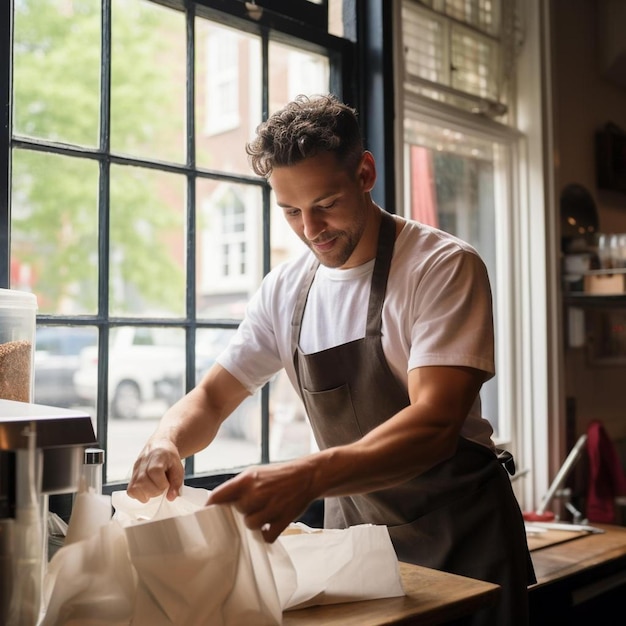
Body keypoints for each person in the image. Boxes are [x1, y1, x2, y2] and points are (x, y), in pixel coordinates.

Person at [127, 94, 535, 625]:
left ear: (365, 172)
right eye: (291, 212)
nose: (311, 228)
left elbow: (435, 423)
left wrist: (308, 476)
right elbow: (212, 397)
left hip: (465, 541)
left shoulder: (441, 267)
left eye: (327, 203)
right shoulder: (286, 291)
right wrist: (165, 441)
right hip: (359, 552)